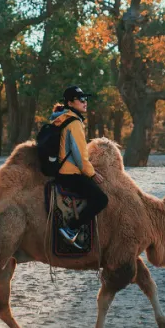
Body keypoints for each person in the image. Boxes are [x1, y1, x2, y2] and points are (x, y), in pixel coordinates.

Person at [50, 86, 108, 249]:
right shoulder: (74, 123)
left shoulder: (60, 118)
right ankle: (71, 229)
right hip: (69, 174)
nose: (85, 102)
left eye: (86, 99)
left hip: (59, 171)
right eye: (80, 99)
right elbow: (80, 156)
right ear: (70, 102)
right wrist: (92, 173)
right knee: (101, 199)